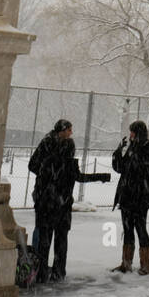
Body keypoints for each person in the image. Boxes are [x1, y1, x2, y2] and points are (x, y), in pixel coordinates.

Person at [28, 119, 111, 284]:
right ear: (62, 131)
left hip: (53, 201)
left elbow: (35, 166)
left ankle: (45, 272)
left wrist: (48, 179)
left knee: (51, 238)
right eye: (69, 130)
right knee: (55, 238)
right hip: (55, 202)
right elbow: (36, 166)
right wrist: (51, 179)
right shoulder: (54, 153)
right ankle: (53, 272)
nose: (71, 133)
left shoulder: (56, 156)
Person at [110, 121, 149, 276]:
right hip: (127, 196)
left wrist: (135, 151)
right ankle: (126, 263)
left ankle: (145, 264)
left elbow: (144, 170)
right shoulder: (131, 148)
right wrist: (118, 152)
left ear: (139, 133)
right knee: (127, 229)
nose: (130, 135)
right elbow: (120, 168)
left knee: (140, 228)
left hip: (140, 197)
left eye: (133, 132)